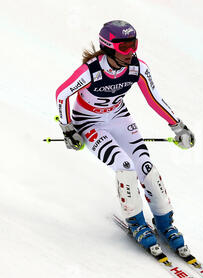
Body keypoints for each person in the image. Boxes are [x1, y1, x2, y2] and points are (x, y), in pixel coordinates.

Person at [55, 20, 195, 255]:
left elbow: (153, 99)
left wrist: (178, 126)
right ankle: (137, 223)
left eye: (134, 45)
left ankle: (165, 223)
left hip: (119, 117)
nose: (131, 52)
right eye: (124, 48)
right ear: (109, 47)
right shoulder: (91, 70)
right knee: (125, 165)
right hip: (89, 123)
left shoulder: (137, 68)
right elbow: (62, 94)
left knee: (146, 166)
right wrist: (68, 128)